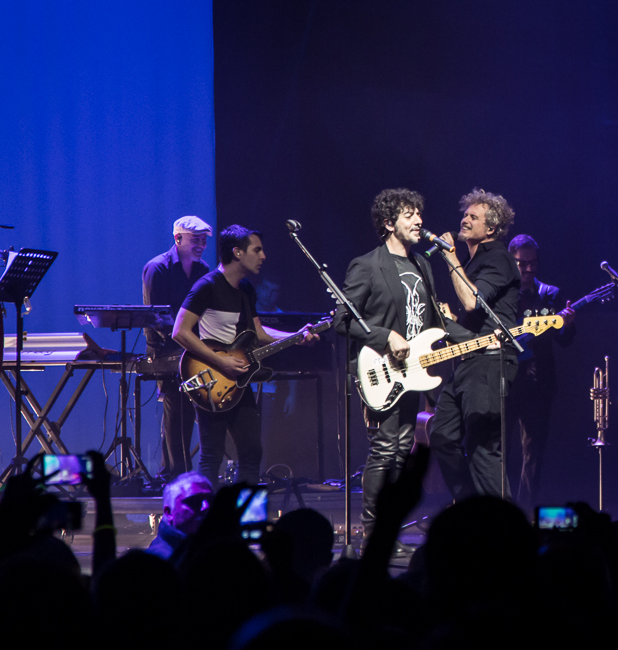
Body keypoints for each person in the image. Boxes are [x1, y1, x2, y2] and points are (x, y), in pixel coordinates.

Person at [336, 188, 470, 546]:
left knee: (401, 450)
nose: (419, 221)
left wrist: (480, 338)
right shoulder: (367, 265)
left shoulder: (421, 264)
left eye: (418, 214)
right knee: (384, 449)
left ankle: (388, 530)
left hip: (412, 372)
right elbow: (341, 320)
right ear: (387, 222)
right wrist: (384, 337)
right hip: (380, 371)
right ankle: (372, 535)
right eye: (409, 215)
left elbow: (434, 321)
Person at [171, 225, 317, 486]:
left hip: (239, 381)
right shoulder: (207, 286)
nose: (263, 256)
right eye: (257, 250)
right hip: (210, 379)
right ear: (237, 252)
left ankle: (245, 521)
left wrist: (296, 337)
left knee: (251, 453)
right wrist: (220, 361)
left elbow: (258, 333)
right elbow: (180, 332)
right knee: (211, 455)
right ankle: (206, 522)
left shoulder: (246, 289)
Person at [428, 188, 521, 500]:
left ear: (491, 228)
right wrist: (448, 321)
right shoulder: (472, 262)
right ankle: (473, 509)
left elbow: (472, 302)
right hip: (469, 360)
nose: (464, 220)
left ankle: (505, 529)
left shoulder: (499, 258)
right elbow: (472, 315)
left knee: (483, 449)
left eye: (473, 217)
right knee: (441, 435)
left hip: (491, 361)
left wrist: (450, 256)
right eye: (465, 214)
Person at [506, 234, 576, 506]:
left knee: (534, 454)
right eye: (522, 264)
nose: (529, 269)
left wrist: (567, 325)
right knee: (500, 451)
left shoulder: (551, 294)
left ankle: (527, 513)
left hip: (540, 384)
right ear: (512, 262)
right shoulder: (502, 296)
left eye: (533, 263)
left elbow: (564, 341)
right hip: (507, 383)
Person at [142, 215, 212, 482]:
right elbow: (154, 316)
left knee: (188, 407)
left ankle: (171, 471)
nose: (201, 245)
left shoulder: (202, 269)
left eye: (204, 241)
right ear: (178, 238)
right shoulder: (157, 268)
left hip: (193, 347)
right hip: (165, 348)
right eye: (196, 240)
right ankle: (178, 473)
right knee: (176, 402)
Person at [146, 471, 214, 559]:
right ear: (169, 512)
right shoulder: (158, 561)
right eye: (194, 501)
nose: (206, 507)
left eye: (211, 500)